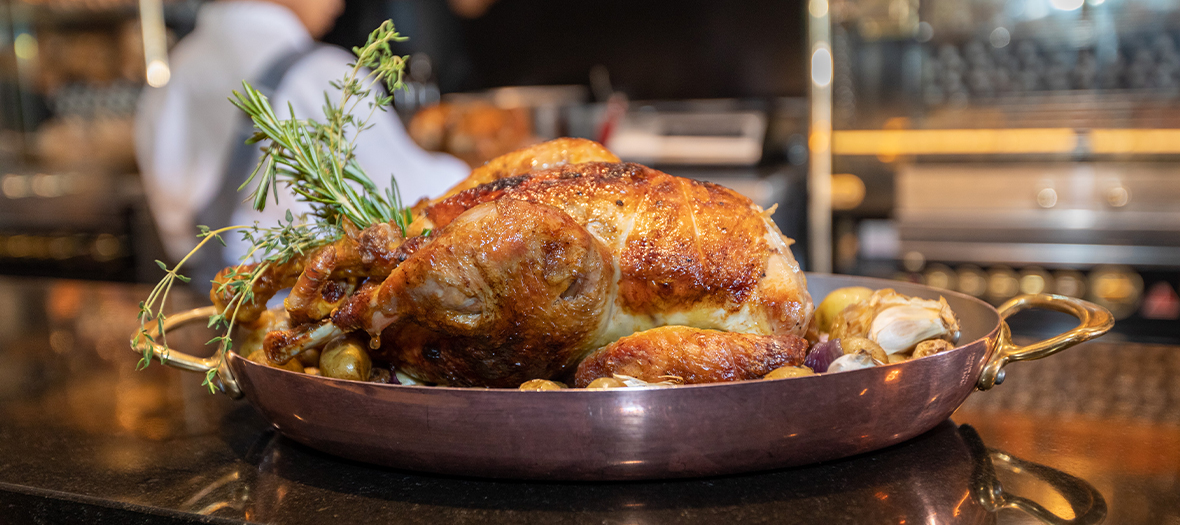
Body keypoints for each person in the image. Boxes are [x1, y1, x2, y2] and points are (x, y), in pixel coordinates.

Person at [135, 0, 469, 285]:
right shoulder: (321, 74)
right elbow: (417, 199)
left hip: (209, 307)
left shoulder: (173, 73)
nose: (339, 3)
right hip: (299, 321)